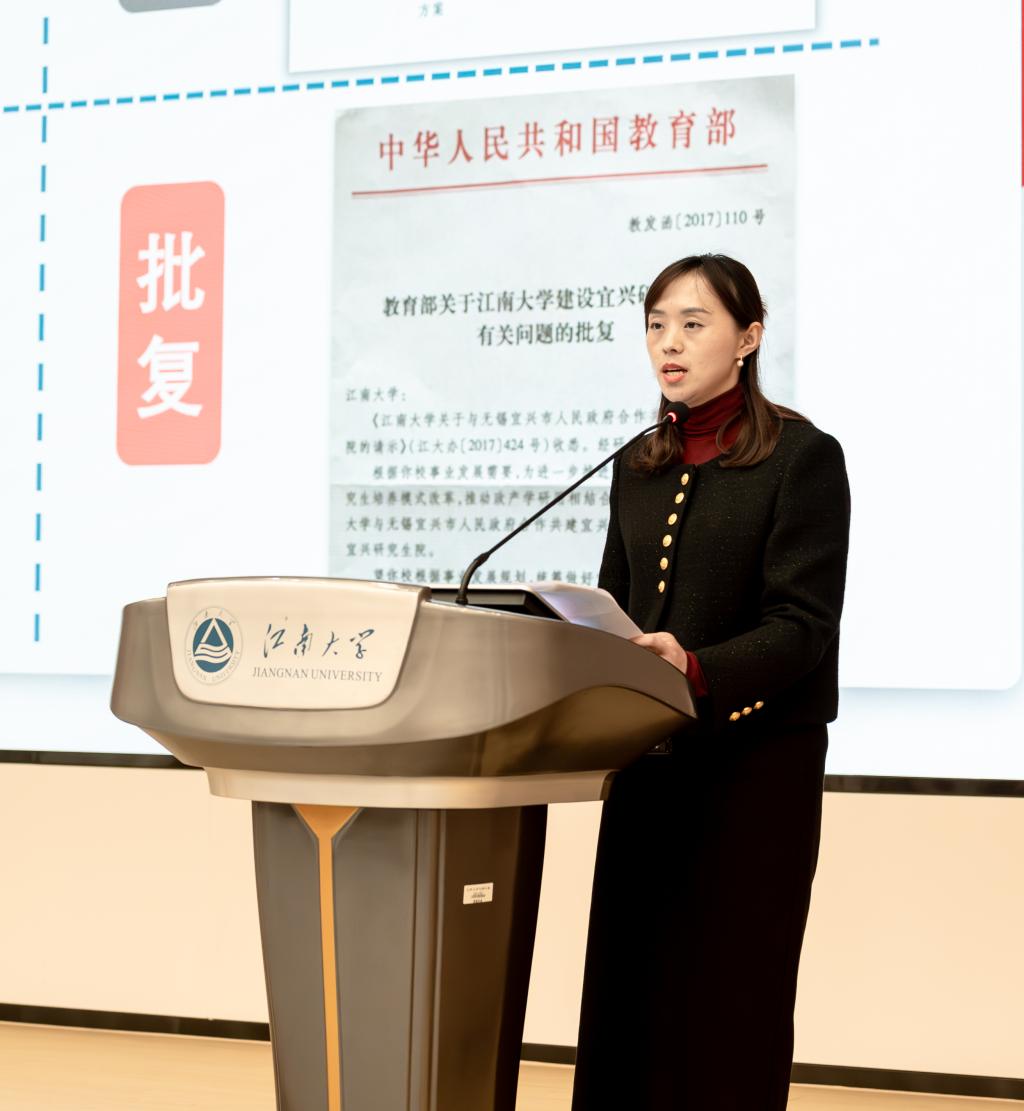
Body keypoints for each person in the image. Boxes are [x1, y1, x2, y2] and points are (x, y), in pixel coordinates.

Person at [572, 254, 851, 1110]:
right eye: (656, 323)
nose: (670, 342)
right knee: (633, 987)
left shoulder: (802, 457)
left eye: (693, 324)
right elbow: (614, 605)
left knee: (731, 993)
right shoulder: (638, 462)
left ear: (748, 338)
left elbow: (803, 626)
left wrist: (696, 668)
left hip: (755, 771)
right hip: (650, 764)